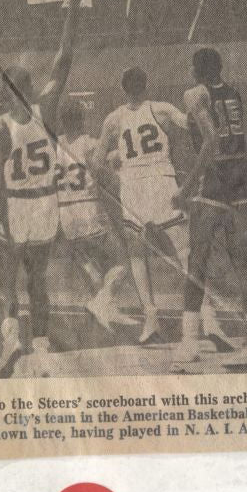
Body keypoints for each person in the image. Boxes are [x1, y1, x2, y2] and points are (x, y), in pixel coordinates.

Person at [0, 0, 95, 376]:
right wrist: (73, 4)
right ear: (31, 90)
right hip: (45, 205)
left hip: (14, 206)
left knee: (7, 279)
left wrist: (6, 219)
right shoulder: (46, 108)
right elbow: (64, 57)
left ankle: (12, 337)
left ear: (3, 92)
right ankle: (43, 351)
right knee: (39, 281)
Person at [174, 47, 247, 364]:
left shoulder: (193, 94)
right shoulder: (233, 92)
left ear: (196, 69)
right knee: (242, 260)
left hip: (218, 176)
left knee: (196, 259)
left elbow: (211, 140)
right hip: (243, 173)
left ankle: (190, 343)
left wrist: (186, 188)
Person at [96, 66, 194, 344]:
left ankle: (150, 320)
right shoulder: (160, 109)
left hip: (133, 187)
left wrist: (118, 173)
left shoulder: (113, 119)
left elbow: (95, 162)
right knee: (185, 251)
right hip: (161, 180)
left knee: (137, 253)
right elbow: (189, 123)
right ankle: (205, 322)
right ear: (146, 85)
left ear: (123, 89)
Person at [53, 98, 132, 331]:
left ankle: (106, 308)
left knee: (89, 265)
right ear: (82, 119)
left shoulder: (54, 145)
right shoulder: (89, 144)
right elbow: (108, 161)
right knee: (122, 262)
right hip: (88, 209)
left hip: (66, 213)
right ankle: (103, 302)